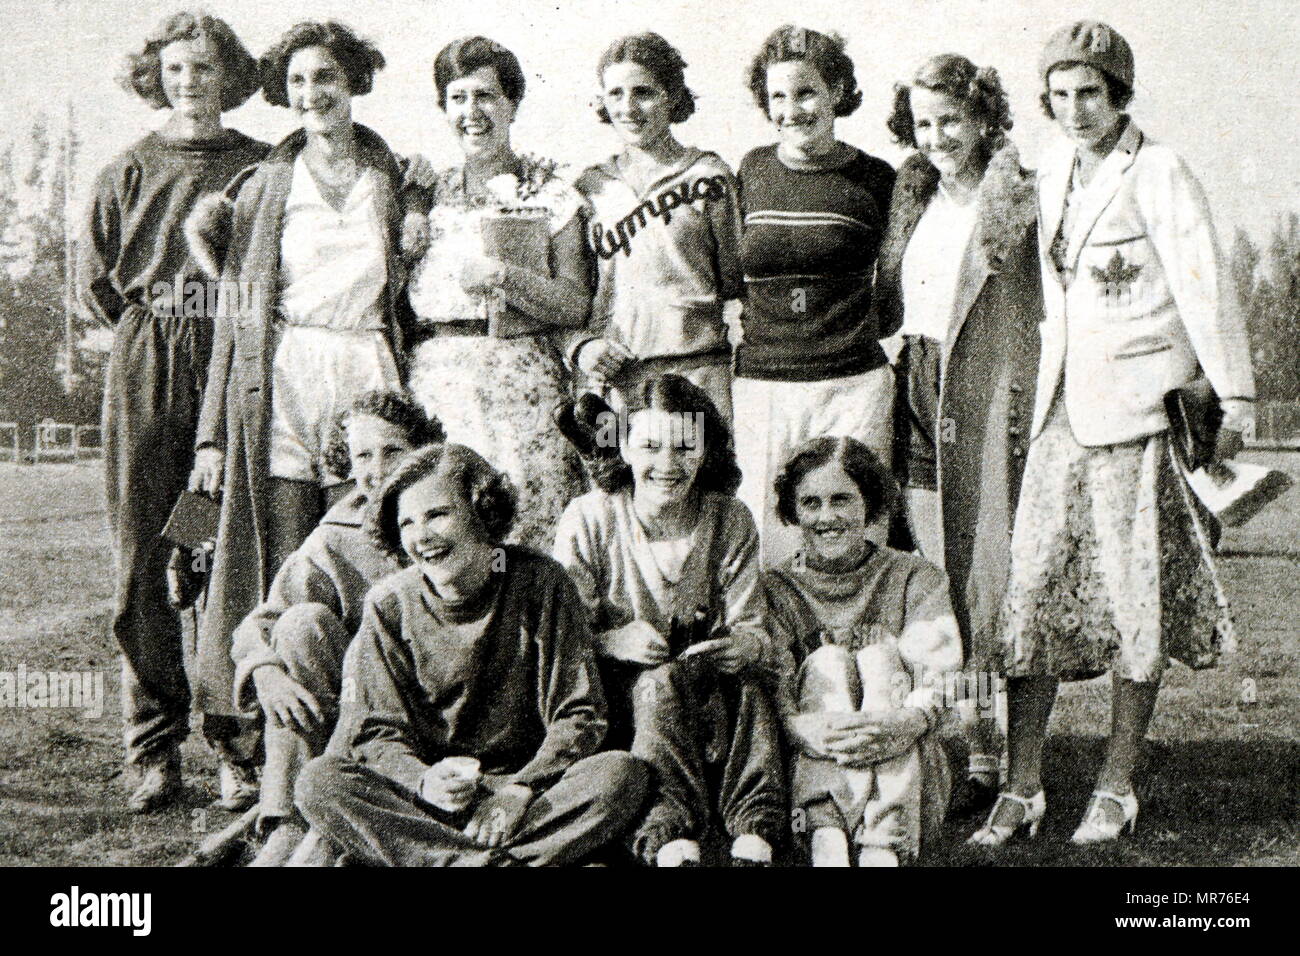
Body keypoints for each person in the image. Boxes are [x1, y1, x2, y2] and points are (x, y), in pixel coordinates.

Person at [970, 22, 1256, 847]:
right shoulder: (1051, 167)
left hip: (1138, 416)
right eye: (1058, 95)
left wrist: (1233, 401)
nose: (1074, 109)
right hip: (1061, 414)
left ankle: (1116, 784)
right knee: (1033, 597)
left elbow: (1207, 286)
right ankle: (1022, 788)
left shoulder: (1159, 170)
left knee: (1138, 604)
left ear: (1119, 92)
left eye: (1089, 92)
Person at [185, 19, 427, 807]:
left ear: (353, 81)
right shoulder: (261, 184)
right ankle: (248, 740)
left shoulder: (390, 173)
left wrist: (418, 200)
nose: (310, 95)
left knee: (373, 550)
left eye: (324, 77)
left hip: (367, 365)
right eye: (294, 83)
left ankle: (369, 737)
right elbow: (235, 310)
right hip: (286, 370)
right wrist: (214, 433)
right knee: (270, 554)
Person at [75, 10, 269, 813]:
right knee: (149, 558)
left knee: (222, 551)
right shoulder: (126, 169)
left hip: (233, 359)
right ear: (157, 77)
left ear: (230, 76)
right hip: (151, 362)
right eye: (177, 69)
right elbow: (97, 284)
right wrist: (160, 326)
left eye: (206, 67)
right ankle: (154, 745)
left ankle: (238, 742)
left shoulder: (261, 165)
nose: (192, 82)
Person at [294, 444, 647, 866]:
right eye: (407, 523)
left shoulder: (540, 582)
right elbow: (375, 732)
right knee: (319, 782)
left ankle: (436, 859)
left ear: (482, 512)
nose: (421, 536)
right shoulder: (389, 604)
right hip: (430, 798)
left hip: (525, 793)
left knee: (621, 775)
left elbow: (579, 713)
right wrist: (424, 781)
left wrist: (522, 789)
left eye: (437, 515)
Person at [874, 54, 1041, 813]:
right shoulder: (912, 198)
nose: (937, 135)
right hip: (916, 383)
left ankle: (1007, 758)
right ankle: (974, 746)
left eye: (951, 119)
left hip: (986, 390)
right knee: (940, 574)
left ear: (983, 118)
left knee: (991, 577)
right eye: (924, 121)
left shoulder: (1018, 196)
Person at [552, 376, 785, 867]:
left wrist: (743, 644)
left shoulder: (731, 519)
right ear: (624, 447)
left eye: (685, 446)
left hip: (708, 688)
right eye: (650, 446)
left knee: (751, 685)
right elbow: (561, 634)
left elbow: (754, 625)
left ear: (706, 450)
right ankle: (668, 833)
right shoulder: (590, 518)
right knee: (657, 685)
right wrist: (611, 639)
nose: (667, 464)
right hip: (621, 694)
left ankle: (755, 829)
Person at [229, 389, 444, 865]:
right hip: (352, 710)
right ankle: (287, 817)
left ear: (422, 453)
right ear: (346, 464)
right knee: (302, 623)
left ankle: (340, 822)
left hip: (433, 708)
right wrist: (267, 672)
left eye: (394, 451)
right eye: (364, 455)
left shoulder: (448, 520)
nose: (379, 467)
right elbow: (258, 623)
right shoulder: (334, 536)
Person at [402, 36, 588, 550]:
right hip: (440, 389)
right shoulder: (424, 194)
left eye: (485, 96)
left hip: (521, 387)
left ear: (512, 103)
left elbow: (575, 301)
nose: (472, 111)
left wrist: (505, 276)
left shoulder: (551, 193)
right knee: (450, 533)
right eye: (457, 98)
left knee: (528, 531)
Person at [733, 25, 897, 564]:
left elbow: (896, 291)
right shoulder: (750, 170)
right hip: (765, 383)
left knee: (857, 536)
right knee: (769, 536)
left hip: (852, 385)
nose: (792, 109)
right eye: (777, 96)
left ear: (836, 93)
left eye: (805, 92)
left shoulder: (877, 178)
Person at [764, 437, 962, 865]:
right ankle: (827, 838)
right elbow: (772, 679)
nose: (827, 517)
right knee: (827, 662)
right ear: (794, 511)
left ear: (868, 503)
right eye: (811, 503)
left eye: (842, 500)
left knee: (880, 658)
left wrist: (905, 722)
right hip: (810, 771)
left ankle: (882, 846)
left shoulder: (915, 576)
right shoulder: (776, 588)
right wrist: (798, 726)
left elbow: (941, 673)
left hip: (906, 771)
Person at [569, 32, 743, 423]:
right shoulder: (591, 185)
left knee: (699, 480)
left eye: (643, 92)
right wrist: (584, 346)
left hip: (696, 372)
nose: (628, 107)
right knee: (613, 479)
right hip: (613, 380)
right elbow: (574, 295)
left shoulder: (708, 175)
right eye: (615, 93)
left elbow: (734, 284)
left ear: (672, 96)